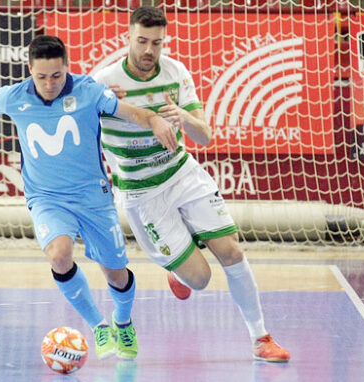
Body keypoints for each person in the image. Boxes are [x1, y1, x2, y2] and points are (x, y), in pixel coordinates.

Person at [0, 35, 178, 360]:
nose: (49, 84)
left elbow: (132, 112)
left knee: (115, 274)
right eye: (41, 77)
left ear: (66, 67)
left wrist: (154, 119)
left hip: (93, 197)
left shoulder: (89, 91)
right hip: (47, 198)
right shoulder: (14, 97)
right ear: (30, 71)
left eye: (56, 75)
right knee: (59, 254)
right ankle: (98, 326)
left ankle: (123, 321)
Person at [93, 6, 290, 362]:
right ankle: (180, 271)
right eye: (142, 41)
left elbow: (205, 136)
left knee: (231, 251)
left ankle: (261, 338)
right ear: (128, 38)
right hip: (142, 193)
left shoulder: (175, 72)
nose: (149, 50)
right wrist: (106, 106)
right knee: (199, 279)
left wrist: (183, 116)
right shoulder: (104, 82)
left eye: (157, 42)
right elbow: (83, 131)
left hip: (183, 174)